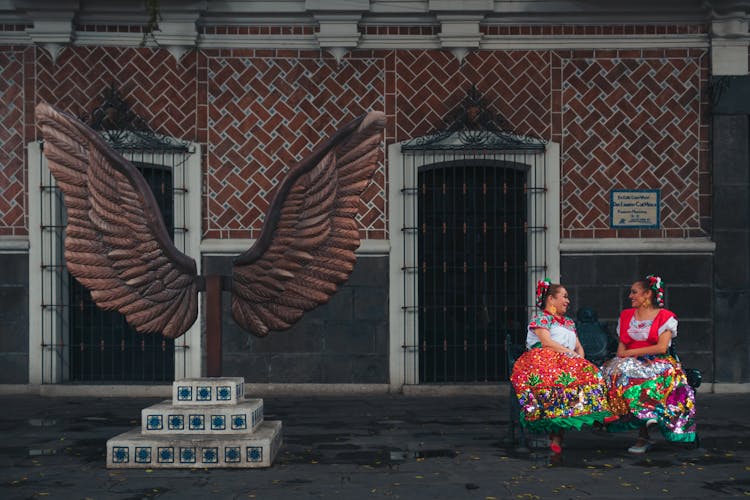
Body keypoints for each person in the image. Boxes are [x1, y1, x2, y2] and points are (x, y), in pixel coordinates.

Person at [510, 279, 613, 454]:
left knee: (591, 373)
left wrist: (579, 359)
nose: (568, 300)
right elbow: (547, 342)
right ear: (551, 299)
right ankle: (556, 435)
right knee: (559, 381)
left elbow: (578, 346)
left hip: (567, 360)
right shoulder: (542, 318)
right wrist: (570, 355)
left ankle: (598, 412)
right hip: (544, 358)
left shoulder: (569, 322)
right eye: (564, 296)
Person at [600, 275, 697, 453]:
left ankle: (653, 416)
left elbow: (661, 348)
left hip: (657, 361)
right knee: (616, 375)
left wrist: (629, 354)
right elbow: (622, 348)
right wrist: (626, 356)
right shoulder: (627, 316)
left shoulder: (665, 317)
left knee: (660, 378)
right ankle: (636, 421)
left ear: (647, 295)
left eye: (634, 292)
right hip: (631, 362)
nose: (630, 296)